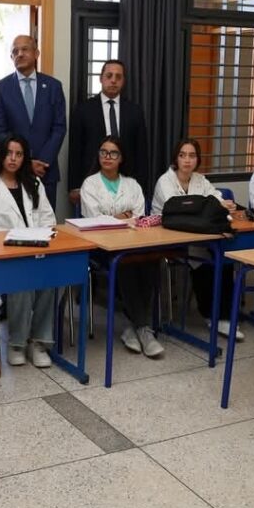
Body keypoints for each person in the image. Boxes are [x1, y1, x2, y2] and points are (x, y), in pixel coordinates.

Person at [0, 135, 57, 367]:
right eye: (9, 153)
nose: (13, 158)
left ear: (24, 158)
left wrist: (38, 237)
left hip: (37, 252)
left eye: (19, 154)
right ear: (1, 155)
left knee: (52, 278)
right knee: (22, 281)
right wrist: (19, 238)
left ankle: (39, 341)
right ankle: (17, 343)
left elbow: (48, 219)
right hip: (4, 256)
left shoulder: (35, 183)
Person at [81, 136, 164, 357]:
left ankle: (131, 326)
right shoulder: (90, 184)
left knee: (151, 259)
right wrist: (122, 217)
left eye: (113, 153)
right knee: (125, 262)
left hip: (131, 241)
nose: (107, 157)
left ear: (121, 158)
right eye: (103, 152)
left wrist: (115, 218)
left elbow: (139, 217)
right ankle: (143, 328)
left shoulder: (132, 184)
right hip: (100, 247)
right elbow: (94, 219)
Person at [152, 138, 242, 340]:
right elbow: (178, 208)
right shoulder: (165, 181)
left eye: (192, 156)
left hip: (199, 236)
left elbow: (215, 199)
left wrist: (220, 205)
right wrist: (208, 206)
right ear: (176, 158)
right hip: (169, 240)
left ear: (198, 159)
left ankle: (225, 316)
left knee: (224, 259)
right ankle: (210, 314)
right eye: (182, 155)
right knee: (203, 260)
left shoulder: (201, 180)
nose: (187, 160)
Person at [0, 34, 66, 210]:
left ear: (36, 53)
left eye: (25, 49)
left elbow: (59, 127)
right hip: (12, 172)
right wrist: (26, 163)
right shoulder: (0, 89)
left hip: (45, 171)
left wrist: (43, 161)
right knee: (14, 222)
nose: (20, 54)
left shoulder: (53, 86)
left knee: (46, 223)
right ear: (11, 57)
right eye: (15, 51)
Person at [68, 59, 148, 205]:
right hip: (91, 181)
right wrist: (74, 186)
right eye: (109, 76)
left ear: (123, 81)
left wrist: (142, 185)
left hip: (127, 181)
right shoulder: (83, 110)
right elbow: (75, 151)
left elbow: (141, 152)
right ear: (101, 78)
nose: (113, 80)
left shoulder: (135, 111)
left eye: (118, 77)